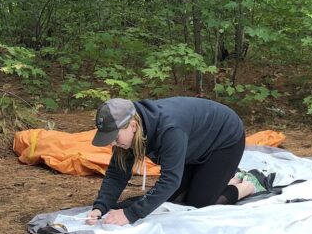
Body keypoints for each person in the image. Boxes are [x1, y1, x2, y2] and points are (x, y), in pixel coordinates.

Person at [86, 96, 268, 227]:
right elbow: (117, 172)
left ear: (133, 126)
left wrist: (130, 214)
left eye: (115, 137)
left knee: (198, 204)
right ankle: (228, 178)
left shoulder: (169, 129)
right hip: (193, 146)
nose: (112, 143)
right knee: (174, 200)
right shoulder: (134, 130)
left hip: (224, 140)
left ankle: (248, 183)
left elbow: (170, 180)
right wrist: (100, 206)